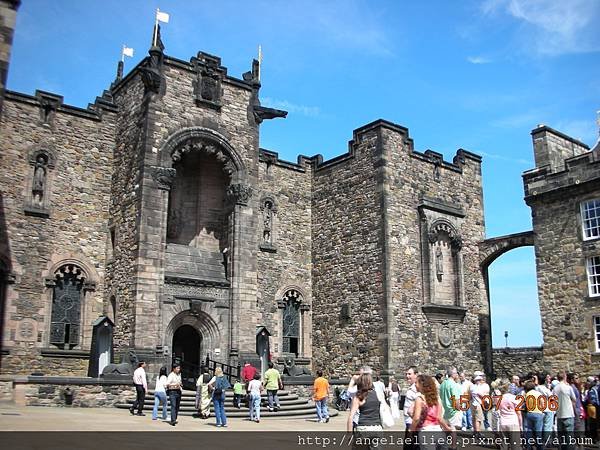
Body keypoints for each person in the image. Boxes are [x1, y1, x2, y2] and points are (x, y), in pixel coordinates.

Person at [410, 374, 452, 450]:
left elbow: (416, 418)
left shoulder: (419, 399)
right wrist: (447, 428)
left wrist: (411, 430)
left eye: (416, 383)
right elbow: (439, 418)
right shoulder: (437, 399)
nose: (415, 385)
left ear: (422, 384)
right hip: (438, 431)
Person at [347, 372, 382, 449]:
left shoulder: (359, 397)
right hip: (377, 428)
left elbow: (351, 416)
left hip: (363, 428)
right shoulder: (377, 394)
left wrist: (349, 434)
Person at [439, 367, 464, 449]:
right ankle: (453, 446)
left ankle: (442, 444)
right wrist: (458, 408)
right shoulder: (453, 384)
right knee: (453, 429)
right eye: (456, 373)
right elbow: (456, 399)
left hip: (445, 409)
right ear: (453, 374)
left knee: (446, 429)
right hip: (452, 409)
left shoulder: (443, 384)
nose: (457, 375)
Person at [553, 371, 576, 450]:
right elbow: (574, 399)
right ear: (565, 377)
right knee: (569, 438)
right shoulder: (568, 387)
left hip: (559, 415)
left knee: (562, 439)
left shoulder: (555, 388)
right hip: (568, 414)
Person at [498, 380, 522, 450]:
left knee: (504, 446)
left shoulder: (499, 399)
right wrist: (520, 425)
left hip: (503, 422)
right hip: (513, 422)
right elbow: (518, 413)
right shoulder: (513, 398)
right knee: (515, 445)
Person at [523, 380, 544, 450]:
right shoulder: (538, 393)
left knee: (529, 430)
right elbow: (542, 404)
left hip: (530, 413)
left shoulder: (527, 394)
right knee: (538, 432)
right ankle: (539, 447)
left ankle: (528, 446)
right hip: (538, 413)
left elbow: (525, 404)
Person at [404, 366, 420, 450]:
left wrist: (412, 427)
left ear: (416, 375)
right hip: (409, 423)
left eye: (409, 374)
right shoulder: (412, 387)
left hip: (412, 424)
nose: (407, 376)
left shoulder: (416, 389)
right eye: (406, 374)